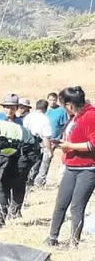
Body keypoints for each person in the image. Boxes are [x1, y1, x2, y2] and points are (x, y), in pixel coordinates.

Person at [47, 86, 95, 247]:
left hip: (87, 169)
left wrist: (71, 145)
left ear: (69, 105)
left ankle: (74, 242)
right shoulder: (74, 117)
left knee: (76, 206)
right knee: (61, 203)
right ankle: (52, 237)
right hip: (71, 166)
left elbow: (93, 144)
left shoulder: (90, 116)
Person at [20, 98, 53, 187]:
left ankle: (26, 180)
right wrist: (49, 151)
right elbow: (46, 137)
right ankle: (34, 181)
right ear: (45, 109)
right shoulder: (44, 119)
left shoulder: (28, 116)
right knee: (37, 162)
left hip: (25, 141)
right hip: (36, 143)